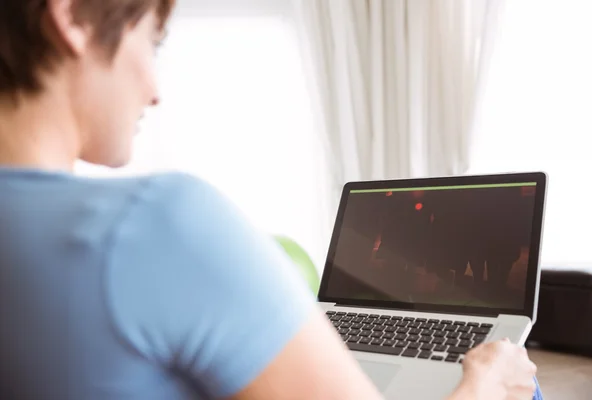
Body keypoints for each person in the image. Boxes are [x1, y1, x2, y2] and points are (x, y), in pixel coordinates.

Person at [0, 0, 540, 399]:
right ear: (71, 17)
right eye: (152, 42)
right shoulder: (154, 224)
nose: (156, 89)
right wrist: (483, 383)